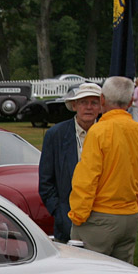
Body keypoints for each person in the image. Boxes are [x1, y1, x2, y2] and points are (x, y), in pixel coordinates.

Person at [68, 77, 138, 264]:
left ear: (102, 100)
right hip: (129, 217)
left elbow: (87, 178)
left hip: (99, 217)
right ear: (131, 101)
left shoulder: (98, 132)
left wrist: (78, 215)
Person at [38, 82, 102, 242]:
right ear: (74, 105)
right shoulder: (56, 135)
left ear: (101, 107)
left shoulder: (107, 134)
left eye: (94, 103)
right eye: (83, 102)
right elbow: (46, 181)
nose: (89, 107)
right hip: (66, 217)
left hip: (101, 217)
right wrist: (59, 213)